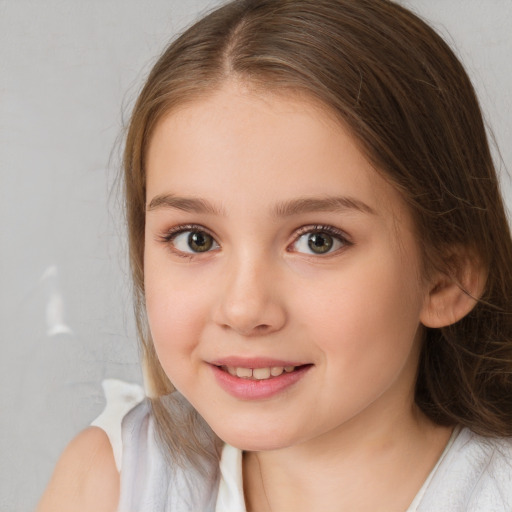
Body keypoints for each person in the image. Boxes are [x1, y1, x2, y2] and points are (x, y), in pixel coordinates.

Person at [37, 0, 512, 510]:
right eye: (196, 239)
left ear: (446, 278)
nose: (243, 310)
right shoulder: (114, 483)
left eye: (318, 240)